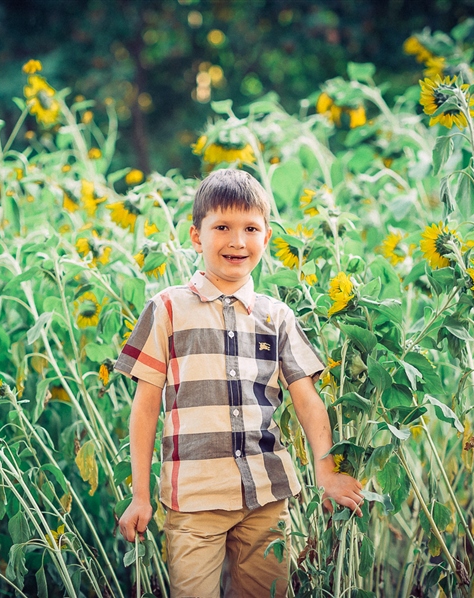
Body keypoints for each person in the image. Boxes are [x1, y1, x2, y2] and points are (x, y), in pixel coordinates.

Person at [114, 168, 364, 597]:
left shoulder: (277, 316)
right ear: (196, 236)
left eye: (250, 228)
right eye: (222, 227)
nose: (237, 241)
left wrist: (327, 473)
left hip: (266, 496)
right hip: (194, 499)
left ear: (266, 237)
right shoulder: (167, 309)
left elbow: (307, 401)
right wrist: (140, 496)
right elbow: (145, 407)